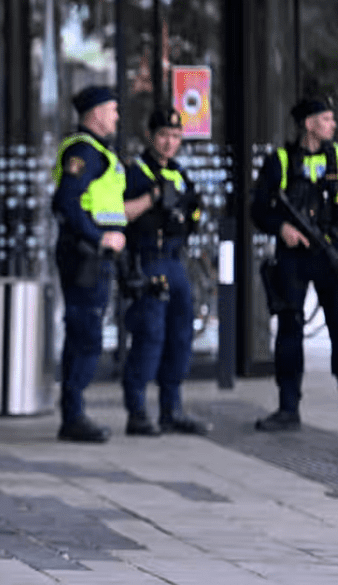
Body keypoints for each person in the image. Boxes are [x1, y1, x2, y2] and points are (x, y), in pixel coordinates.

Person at [119, 107, 212, 436]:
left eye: (175, 137)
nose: (170, 142)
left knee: (180, 336)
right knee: (150, 336)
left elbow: (191, 214)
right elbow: (121, 213)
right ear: (151, 136)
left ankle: (172, 410)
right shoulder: (134, 171)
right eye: (163, 136)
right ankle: (137, 410)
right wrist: (152, 198)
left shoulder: (180, 173)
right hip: (149, 259)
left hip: (176, 260)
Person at [251, 96, 338, 432]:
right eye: (326, 118)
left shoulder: (337, 158)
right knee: (289, 331)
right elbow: (258, 208)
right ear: (309, 123)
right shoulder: (281, 161)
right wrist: (281, 227)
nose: (332, 124)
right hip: (293, 259)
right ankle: (288, 407)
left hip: (330, 257)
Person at [51, 85, 127, 443]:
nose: (116, 117)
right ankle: (73, 414)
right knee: (86, 333)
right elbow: (66, 202)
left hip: (94, 255)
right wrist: (99, 237)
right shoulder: (84, 152)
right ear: (95, 113)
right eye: (112, 109)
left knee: (86, 331)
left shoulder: (98, 152)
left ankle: (74, 412)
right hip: (84, 255)